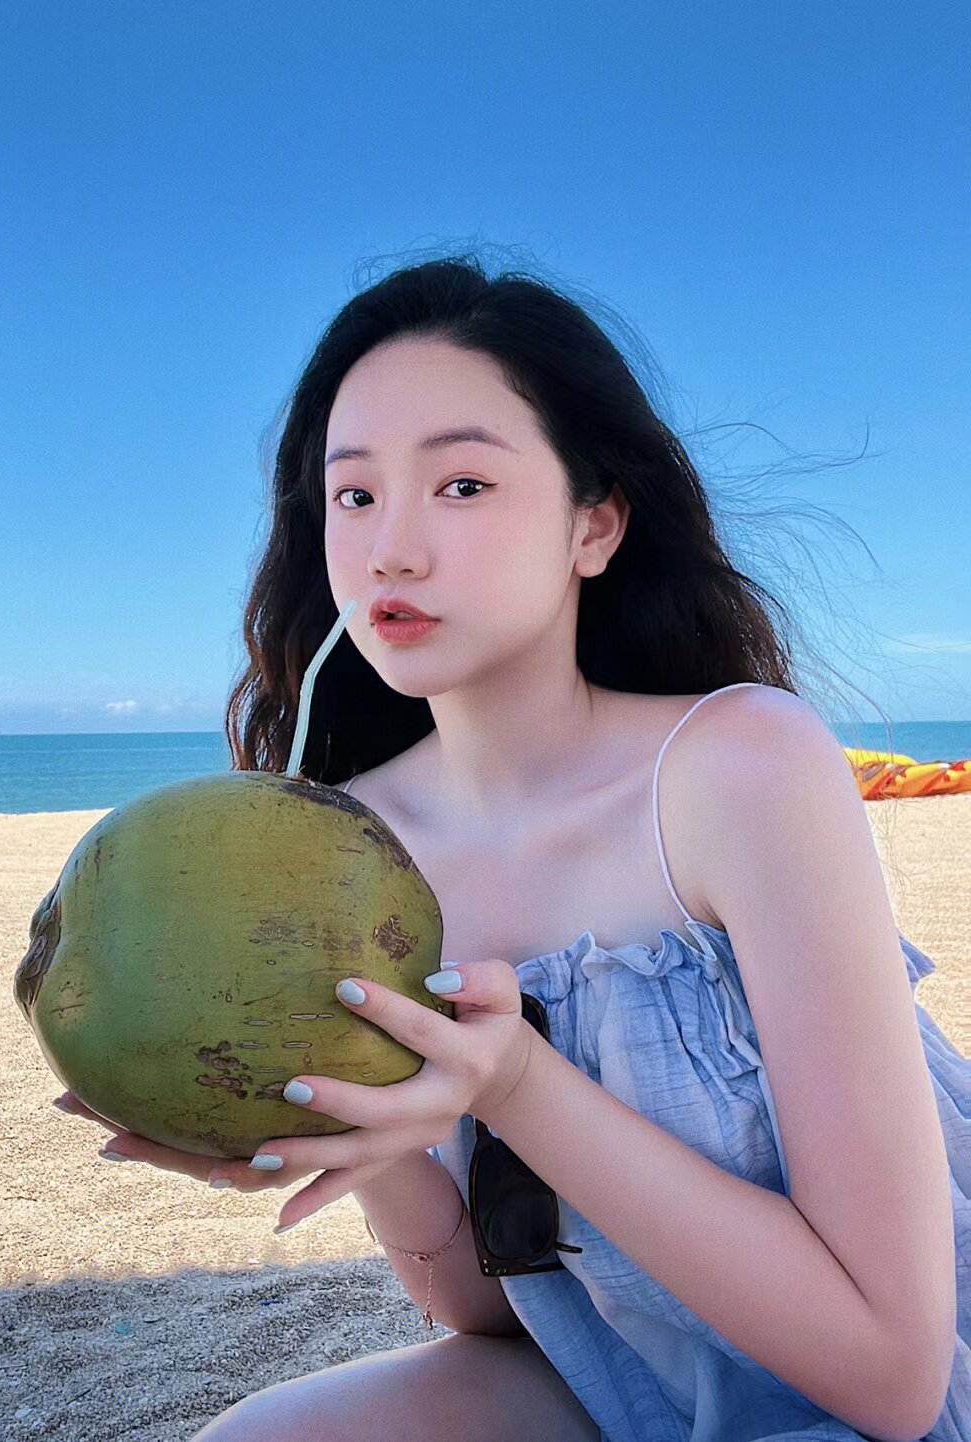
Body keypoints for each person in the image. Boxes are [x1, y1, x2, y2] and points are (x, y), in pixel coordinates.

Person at [61, 254, 970, 1440]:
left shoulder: (739, 767)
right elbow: (490, 1309)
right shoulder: (353, 846)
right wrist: (354, 1133)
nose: (391, 549)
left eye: (463, 484)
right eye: (353, 495)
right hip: (629, 1384)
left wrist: (522, 1086)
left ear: (595, 523)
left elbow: (895, 1376)